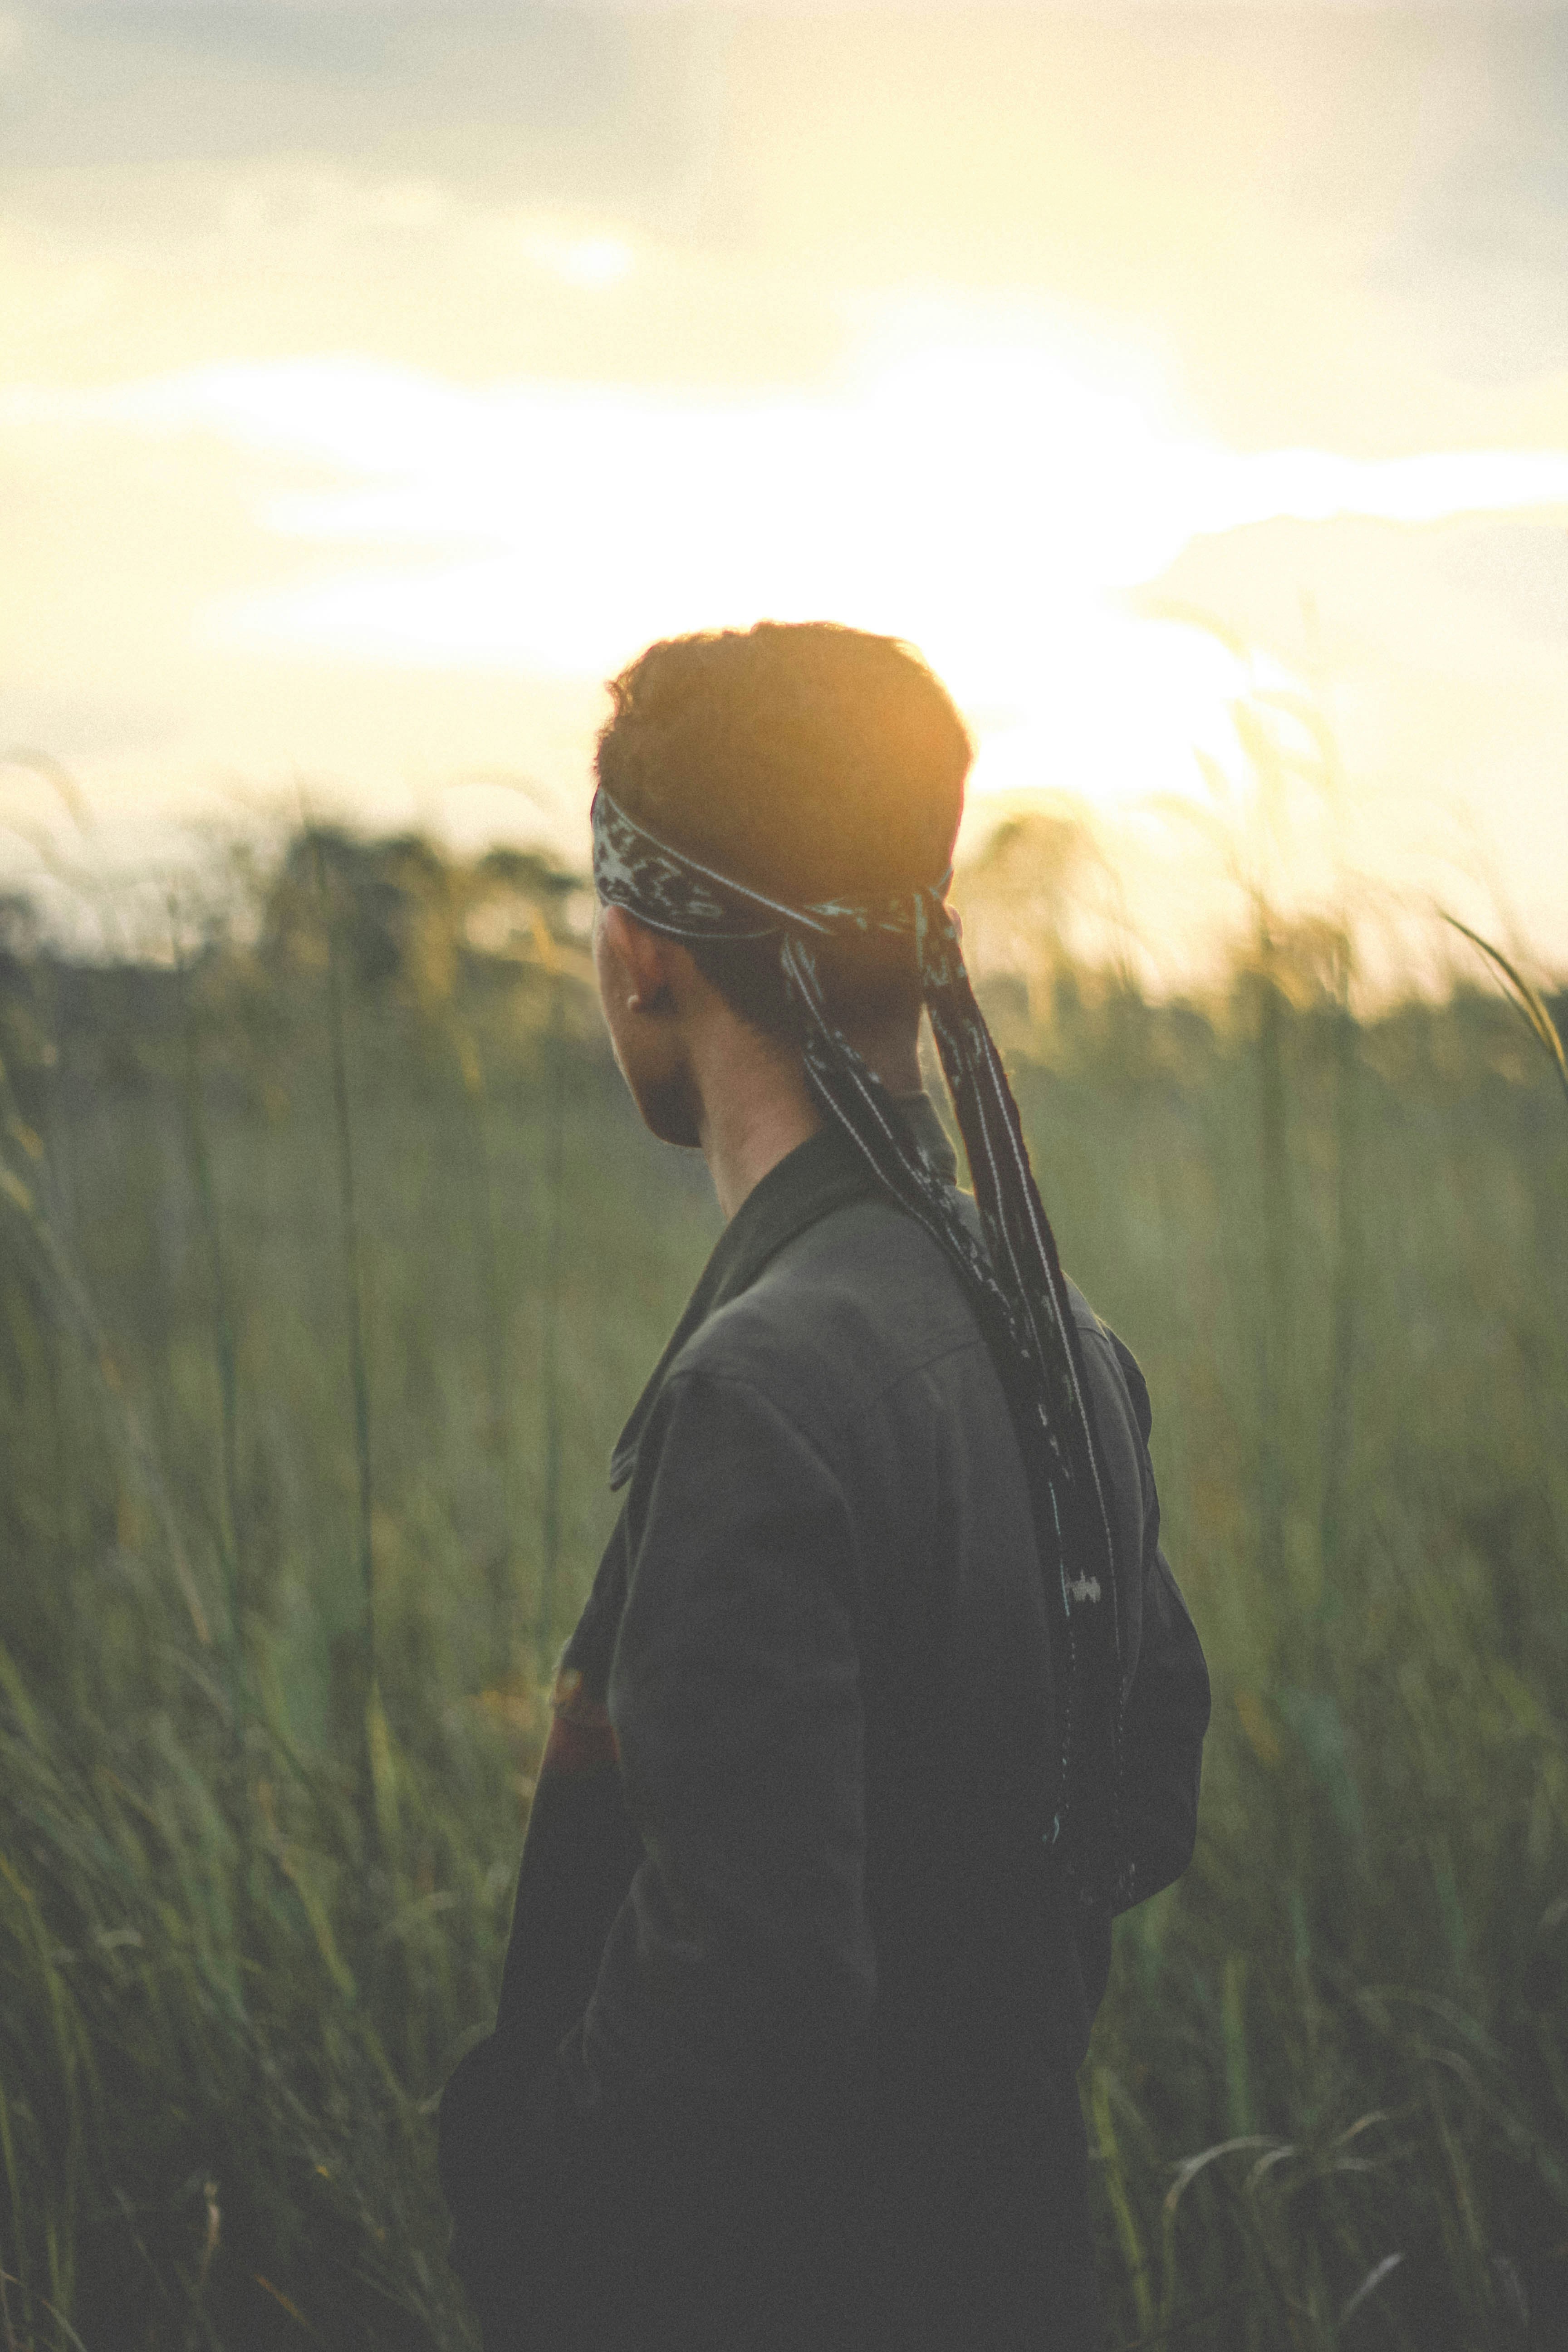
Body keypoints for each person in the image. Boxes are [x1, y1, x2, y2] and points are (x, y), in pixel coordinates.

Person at [438, 622, 1210, 2352]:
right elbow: (1148, 1779)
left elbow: (752, 1994)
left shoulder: (760, 1397)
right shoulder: (1070, 1347)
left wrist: (516, 2159)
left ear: (644, 958)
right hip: (1014, 2265)